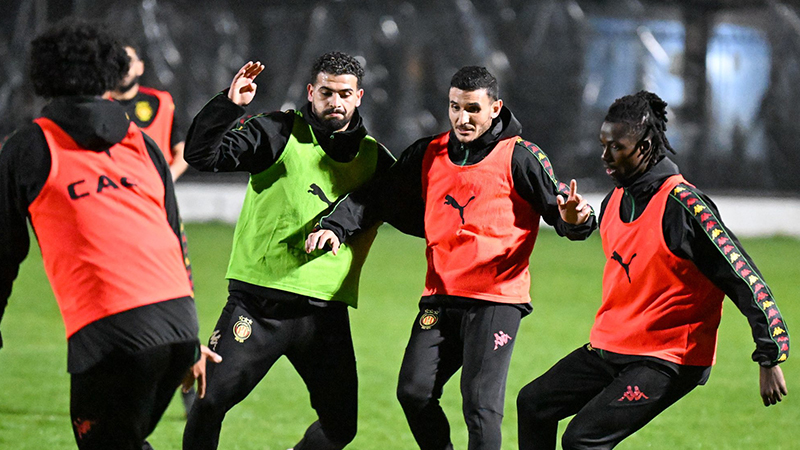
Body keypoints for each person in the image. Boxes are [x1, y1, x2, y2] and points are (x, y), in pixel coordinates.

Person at [306, 66, 596, 450]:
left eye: (473, 109)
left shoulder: (520, 156)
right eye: (455, 107)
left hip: (496, 301)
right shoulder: (429, 152)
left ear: (495, 109)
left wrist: (576, 219)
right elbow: (377, 195)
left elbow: (564, 213)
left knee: (479, 405)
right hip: (440, 298)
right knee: (414, 392)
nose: (462, 118)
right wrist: (336, 226)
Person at [515, 91, 790, 450]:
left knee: (582, 440)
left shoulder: (685, 206)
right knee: (533, 404)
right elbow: (592, 227)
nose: (605, 156)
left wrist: (770, 354)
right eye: (603, 145)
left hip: (667, 357)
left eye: (616, 147)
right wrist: (575, 222)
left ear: (645, 146)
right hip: (613, 346)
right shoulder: (617, 197)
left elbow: (744, 277)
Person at [0, 20, 219, 450]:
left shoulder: (30, 146)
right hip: (178, 323)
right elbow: (175, 239)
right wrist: (191, 341)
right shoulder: (143, 144)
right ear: (109, 72)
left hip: (112, 332)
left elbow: (3, 251)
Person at [181, 52, 396, 450]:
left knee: (340, 428)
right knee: (208, 403)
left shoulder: (375, 159)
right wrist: (228, 105)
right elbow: (201, 156)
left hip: (324, 314)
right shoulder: (277, 132)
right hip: (258, 306)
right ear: (311, 92)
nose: (335, 102)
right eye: (326, 92)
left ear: (359, 96)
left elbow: (411, 210)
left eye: (344, 94)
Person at [107, 42, 189, 181]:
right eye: (118, 61)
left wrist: (168, 178)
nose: (124, 67)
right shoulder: (99, 105)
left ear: (140, 67)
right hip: (113, 187)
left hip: (153, 187)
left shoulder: (160, 102)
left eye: (128, 60)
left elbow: (181, 151)